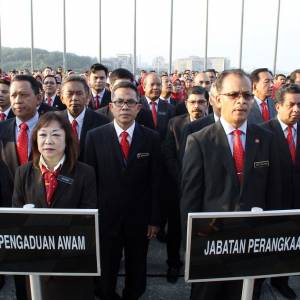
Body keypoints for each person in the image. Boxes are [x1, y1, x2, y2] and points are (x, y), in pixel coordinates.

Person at [181, 69, 281, 300]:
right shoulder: (199, 140)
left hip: (252, 244)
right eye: (234, 94)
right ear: (217, 99)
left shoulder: (265, 138)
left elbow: (272, 191)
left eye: (247, 95)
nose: (241, 101)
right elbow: (190, 199)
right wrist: (191, 246)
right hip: (211, 244)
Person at [85, 81, 161, 300]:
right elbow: (90, 182)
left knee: (137, 267)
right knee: (106, 269)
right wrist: (92, 218)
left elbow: (156, 181)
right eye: (119, 102)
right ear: (111, 106)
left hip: (140, 219)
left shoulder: (151, 138)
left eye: (130, 102)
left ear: (139, 107)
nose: (125, 107)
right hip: (106, 218)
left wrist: (155, 219)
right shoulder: (95, 137)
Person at [12, 112, 97, 300]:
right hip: (36, 262)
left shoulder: (84, 173)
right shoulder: (23, 172)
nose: (48, 140)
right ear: (35, 139)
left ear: (67, 139)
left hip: (73, 263)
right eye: (43, 134)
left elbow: (87, 218)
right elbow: (16, 217)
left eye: (56, 134)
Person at [162, 86, 207, 283]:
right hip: (178, 186)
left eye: (201, 102)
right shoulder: (175, 123)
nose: (197, 106)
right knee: (175, 229)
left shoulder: (214, 124)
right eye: (193, 102)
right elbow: (169, 154)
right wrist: (182, 179)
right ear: (186, 103)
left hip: (206, 189)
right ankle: (173, 263)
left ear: (208, 103)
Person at [262, 84, 300, 300]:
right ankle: (256, 285)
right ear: (277, 106)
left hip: (296, 204)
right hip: (270, 203)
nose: (296, 109)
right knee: (263, 249)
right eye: (291, 105)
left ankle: (281, 281)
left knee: (288, 248)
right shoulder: (263, 131)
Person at [60, 75, 109, 161]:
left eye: (79, 93)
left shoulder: (102, 123)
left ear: (88, 97)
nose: (74, 98)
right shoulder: (55, 121)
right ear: (62, 98)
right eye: (70, 94)